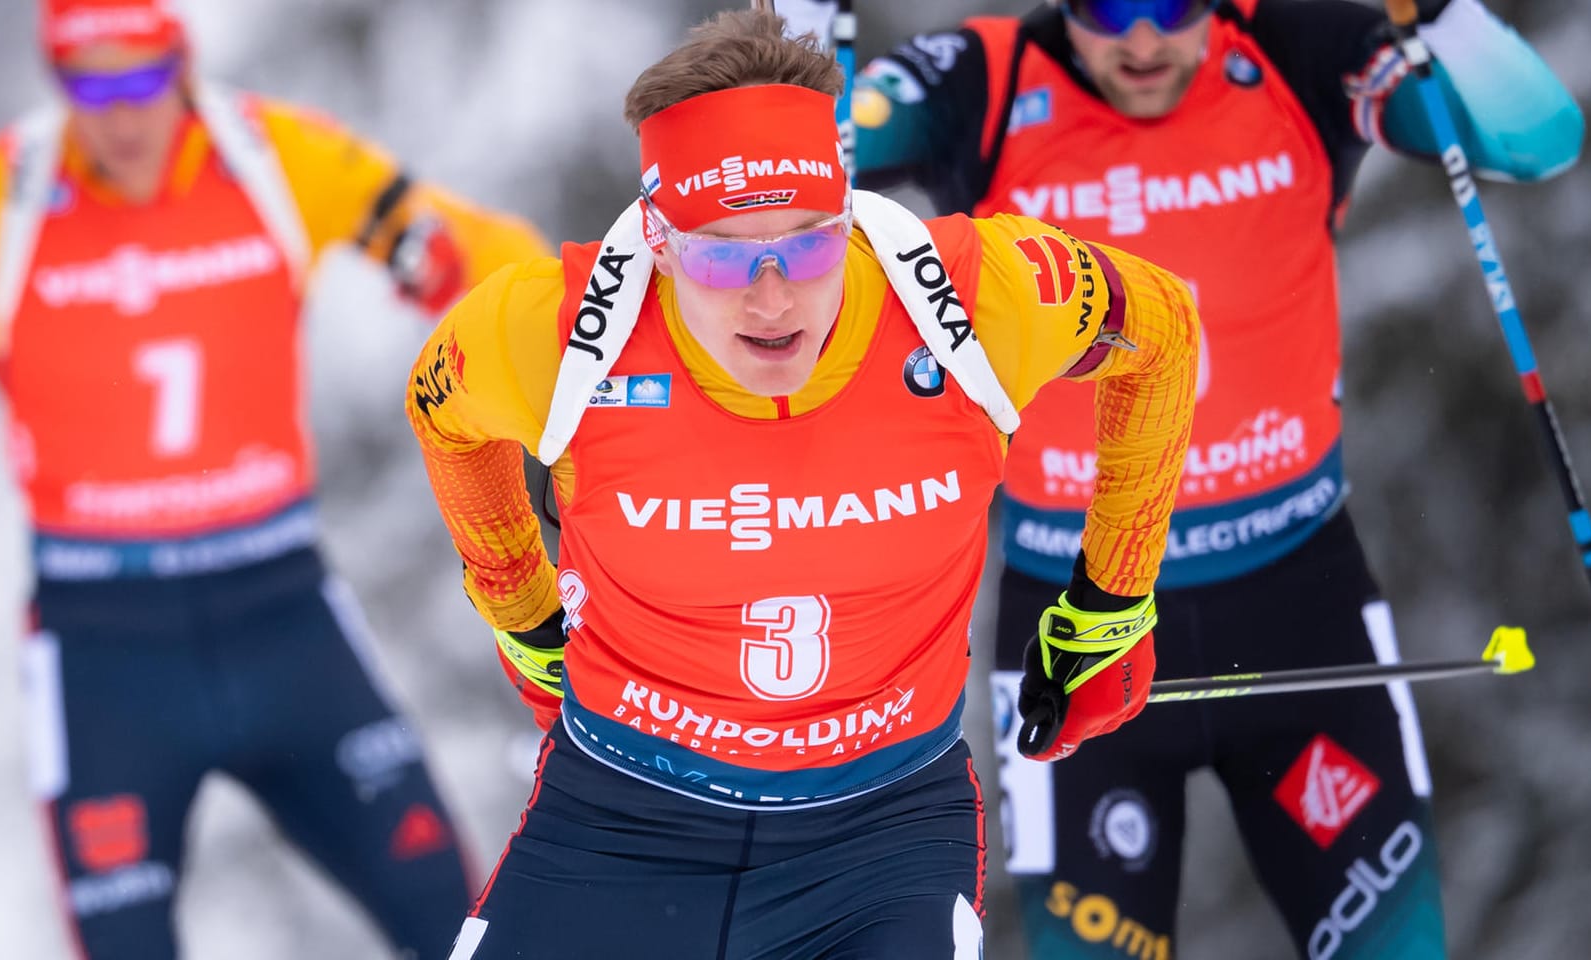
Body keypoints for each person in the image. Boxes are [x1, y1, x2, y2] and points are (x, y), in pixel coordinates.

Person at [408, 9, 1203, 958]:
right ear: (658, 239)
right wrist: (520, 610)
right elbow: (440, 411)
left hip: (881, 838)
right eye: (722, 256)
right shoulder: (553, 328)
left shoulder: (972, 297)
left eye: (811, 243)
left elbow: (1161, 332)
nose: (773, 297)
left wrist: (1112, 599)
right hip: (619, 828)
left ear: (847, 212)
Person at [837, 0, 1583, 956]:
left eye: (1171, 6)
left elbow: (1538, 143)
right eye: (1106, 8)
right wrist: (811, 58)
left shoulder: (1296, 48)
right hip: (1075, 627)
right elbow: (810, 178)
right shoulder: (982, 78)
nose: (1141, 39)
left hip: (1299, 605)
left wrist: (1440, 15)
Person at [0, 1, 551, 956]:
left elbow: (493, 261)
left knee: (458, 928)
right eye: (88, 81)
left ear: (180, 68)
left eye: (142, 76)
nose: (122, 113)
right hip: (104, 650)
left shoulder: (270, 159)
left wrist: (554, 346)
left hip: (282, 616)